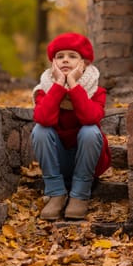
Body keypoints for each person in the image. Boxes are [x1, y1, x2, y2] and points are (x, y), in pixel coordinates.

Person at [31, 32, 111, 220]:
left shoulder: (96, 91)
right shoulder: (44, 90)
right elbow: (43, 118)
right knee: (40, 130)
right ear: (53, 64)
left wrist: (73, 84)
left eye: (72, 56)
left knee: (90, 131)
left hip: (87, 158)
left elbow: (90, 118)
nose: (65, 60)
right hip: (59, 159)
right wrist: (59, 84)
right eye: (60, 57)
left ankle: (80, 195)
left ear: (84, 63)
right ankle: (56, 193)